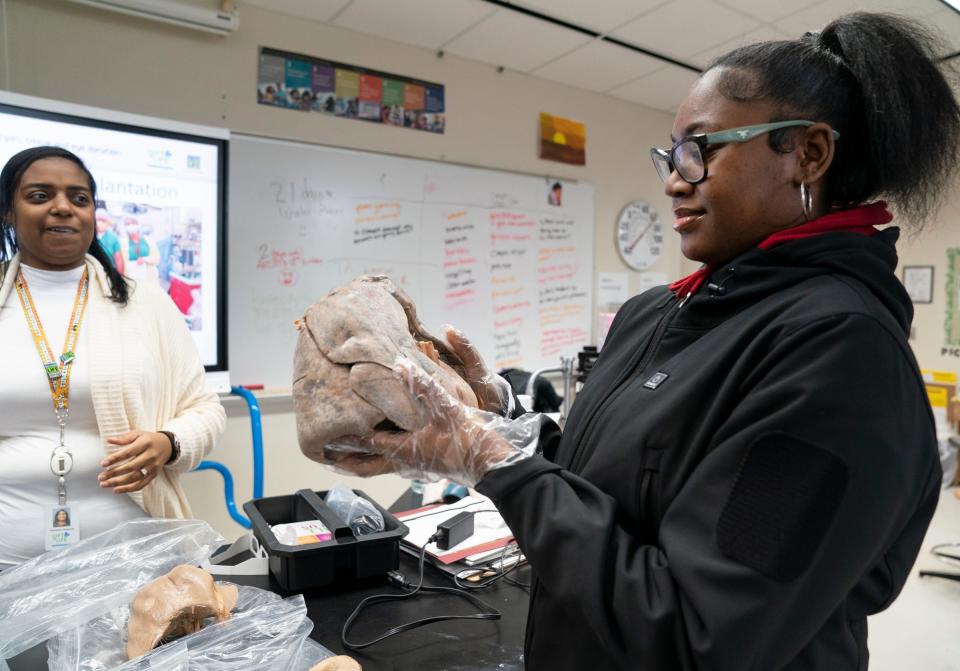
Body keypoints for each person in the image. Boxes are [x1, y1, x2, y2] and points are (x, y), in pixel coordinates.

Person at [310, 12, 959, 670]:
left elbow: (695, 633)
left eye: (701, 149)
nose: (676, 178)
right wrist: (492, 418)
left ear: (809, 154)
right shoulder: (659, 312)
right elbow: (604, 479)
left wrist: (495, 463)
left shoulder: (844, 359)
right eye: (671, 153)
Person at [0, 146, 225, 567]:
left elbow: (205, 409)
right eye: (39, 196)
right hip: (8, 566)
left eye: (79, 198)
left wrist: (169, 443)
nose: (63, 208)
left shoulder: (144, 303)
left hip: (132, 561)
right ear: (7, 213)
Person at [121, 215, 160, 283]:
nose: (130, 226)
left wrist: (145, 259)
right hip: (131, 279)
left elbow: (157, 258)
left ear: (137, 224)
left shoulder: (148, 240)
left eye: (132, 223)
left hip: (149, 278)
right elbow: (121, 262)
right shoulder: (123, 243)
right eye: (127, 224)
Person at [94, 208, 124, 275]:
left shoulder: (113, 237)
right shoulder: (89, 235)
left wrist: (120, 278)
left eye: (103, 220)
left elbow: (118, 259)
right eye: (99, 220)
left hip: (109, 272)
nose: (100, 223)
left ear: (107, 222)